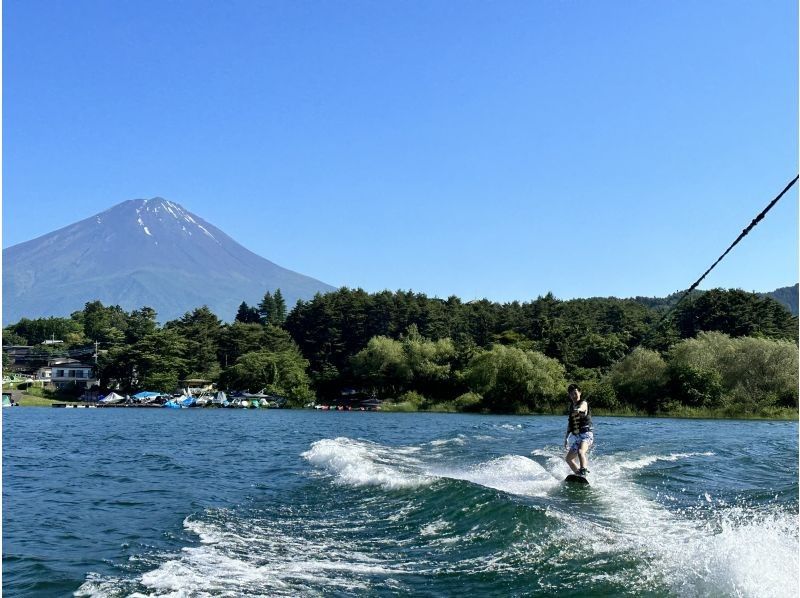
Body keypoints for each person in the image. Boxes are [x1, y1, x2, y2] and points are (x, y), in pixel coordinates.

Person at [564, 383, 593, 476]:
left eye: (575, 393)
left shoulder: (583, 403)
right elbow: (570, 424)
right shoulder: (571, 407)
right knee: (568, 459)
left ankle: (583, 471)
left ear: (580, 393)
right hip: (578, 437)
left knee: (581, 452)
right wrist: (566, 438)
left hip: (586, 435)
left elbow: (583, 408)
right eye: (571, 394)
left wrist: (579, 410)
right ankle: (578, 474)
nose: (573, 396)